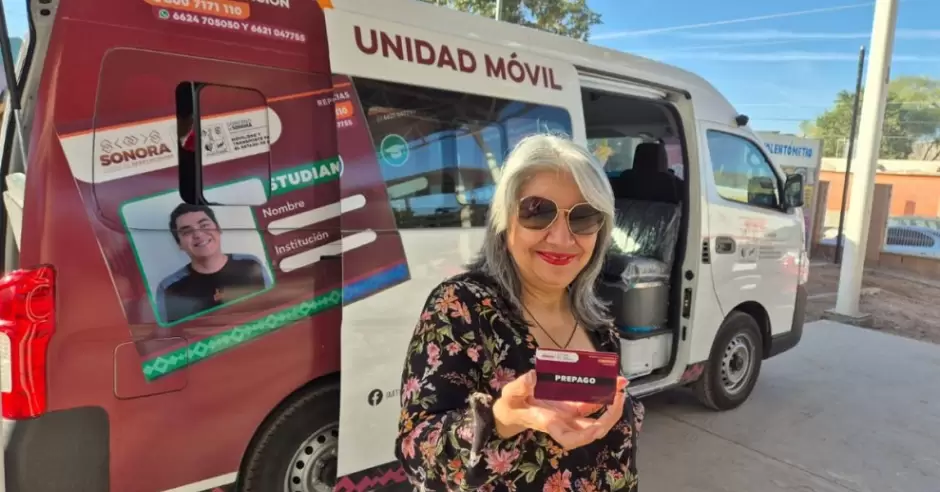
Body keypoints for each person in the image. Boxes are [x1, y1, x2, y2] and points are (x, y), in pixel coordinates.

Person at [395, 134, 645, 491]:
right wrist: (499, 421)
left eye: (584, 217)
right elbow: (414, 451)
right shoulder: (461, 307)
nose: (561, 238)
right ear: (504, 219)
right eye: (537, 211)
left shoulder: (599, 326)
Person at [156, 203, 271, 324]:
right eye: (187, 231)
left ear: (218, 229)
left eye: (204, 225)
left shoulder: (251, 265)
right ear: (179, 244)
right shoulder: (169, 289)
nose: (198, 234)